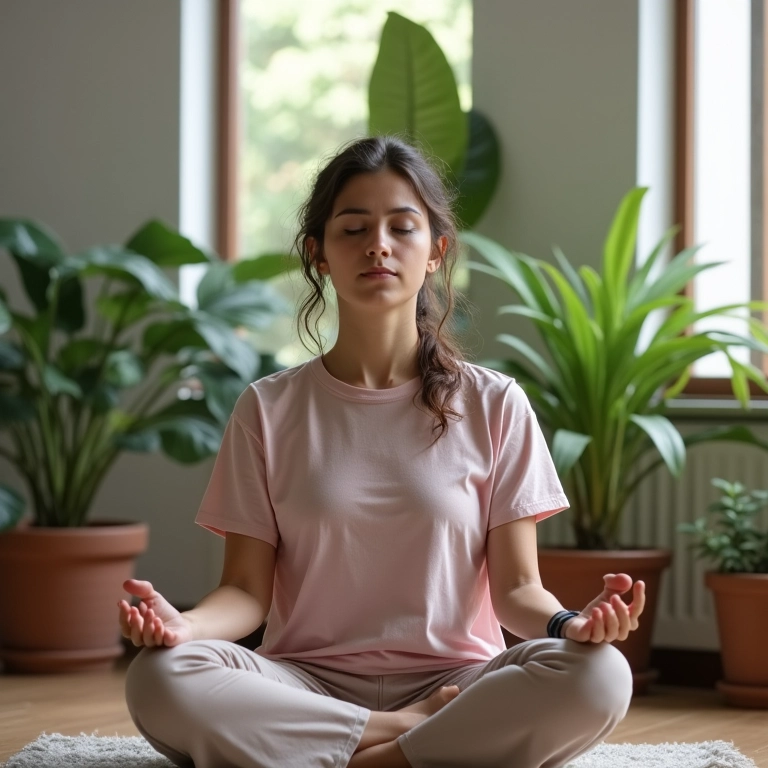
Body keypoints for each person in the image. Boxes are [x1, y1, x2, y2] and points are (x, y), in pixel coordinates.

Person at [120, 135, 645, 768]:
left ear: (435, 252)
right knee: (159, 677)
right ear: (318, 255)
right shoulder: (268, 407)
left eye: (403, 227)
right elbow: (245, 594)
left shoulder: (495, 403)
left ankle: (355, 757)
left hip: (459, 685)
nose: (378, 245)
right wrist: (182, 628)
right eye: (353, 228)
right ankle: (403, 738)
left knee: (602, 675)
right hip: (303, 684)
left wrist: (570, 627)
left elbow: (517, 589)